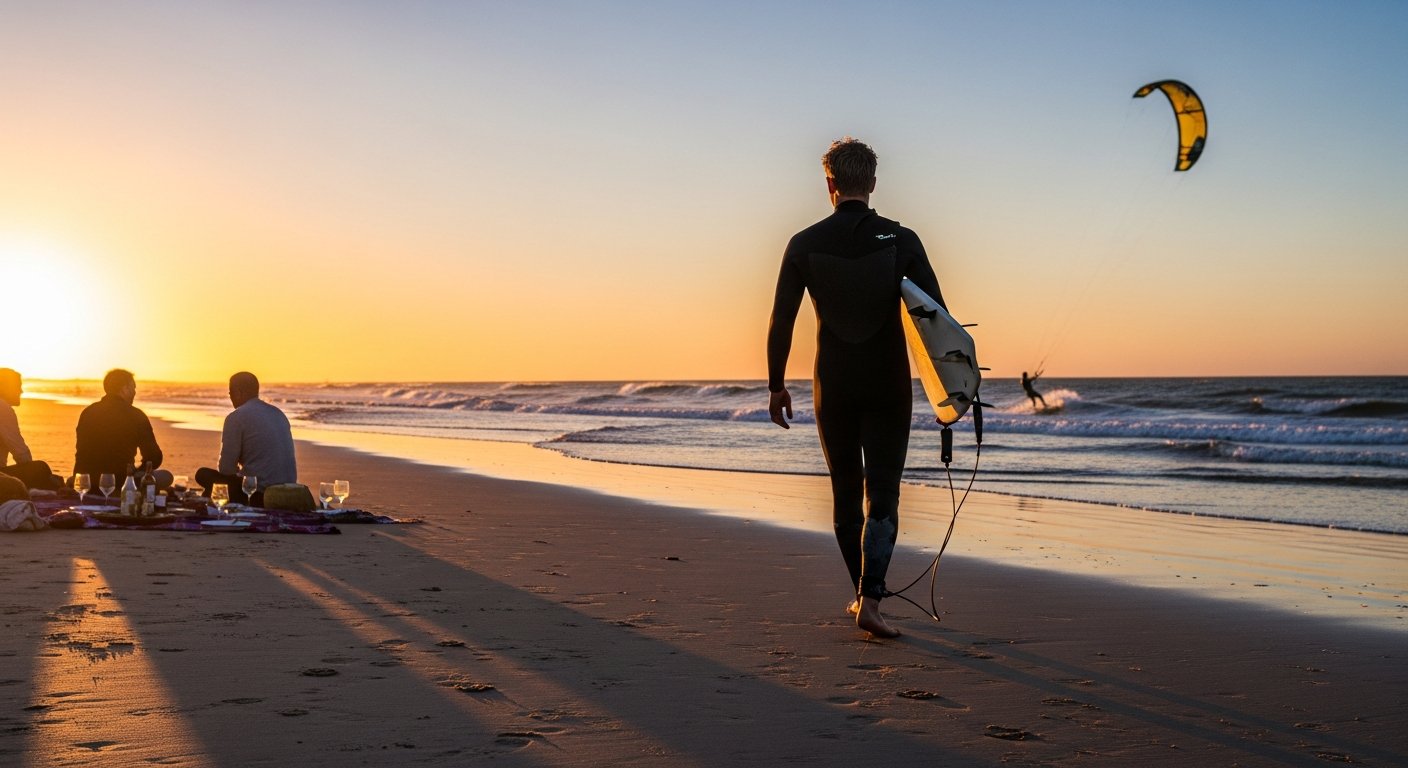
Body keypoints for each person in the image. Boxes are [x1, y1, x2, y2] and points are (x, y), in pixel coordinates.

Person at [766, 137, 945, 639]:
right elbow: (935, 316)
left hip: (834, 383)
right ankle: (871, 597)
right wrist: (950, 389)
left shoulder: (803, 243)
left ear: (830, 184)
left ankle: (863, 598)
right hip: (887, 383)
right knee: (883, 489)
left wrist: (777, 385)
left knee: (846, 490)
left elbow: (782, 319)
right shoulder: (900, 238)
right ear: (872, 183)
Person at [195, 372, 296, 505]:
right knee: (214, 487)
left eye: (230, 393)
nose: (230, 397)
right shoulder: (278, 413)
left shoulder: (236, 417)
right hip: (290, 491)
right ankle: (213, 503)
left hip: (256, 493)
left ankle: (215, 508)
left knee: (203, 475)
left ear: (238, 392)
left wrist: (239, 471)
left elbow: (226, 469)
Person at [74, 369, 168, 487]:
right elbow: (154, 458)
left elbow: (82, 452)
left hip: (84, 481)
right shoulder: (136, 415)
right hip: (120, 482)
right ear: (125, 388)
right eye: (133, 388)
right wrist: (138, 471)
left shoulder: (88, 412)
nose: (134, 392)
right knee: (165, 476)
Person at [0, 368, 62, 490]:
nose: (21, 391)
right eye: (18, 386)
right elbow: (20, 453)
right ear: (6, 388)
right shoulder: (2, 407)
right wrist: (36, 473)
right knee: (40, 468)